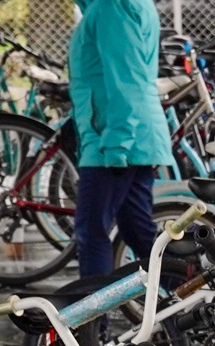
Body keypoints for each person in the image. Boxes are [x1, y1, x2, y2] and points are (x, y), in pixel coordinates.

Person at [68, 0, 174, 280]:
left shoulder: (112, 6)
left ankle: (93, 323)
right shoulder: (109, 6)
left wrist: (117, 144)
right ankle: (195, 296)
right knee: (138, 232)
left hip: (116, 141)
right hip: (126, 136)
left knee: (91, 231)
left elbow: (127, 79)